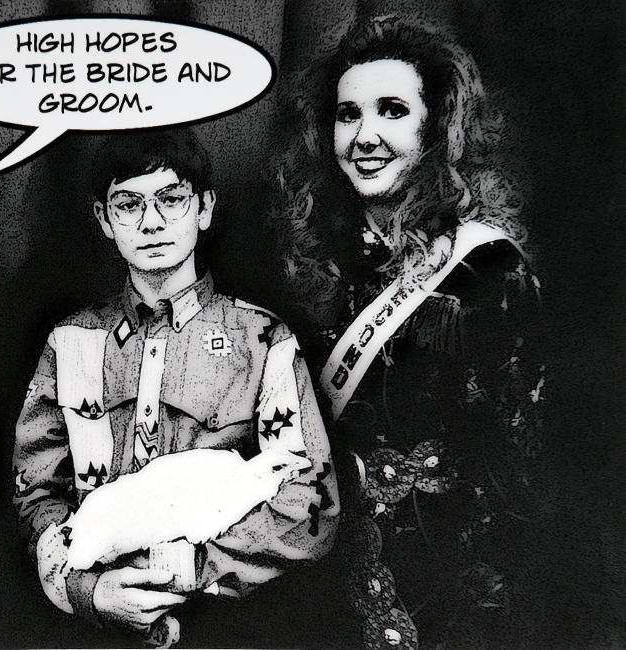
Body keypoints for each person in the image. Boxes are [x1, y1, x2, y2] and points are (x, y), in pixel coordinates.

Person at [271, 15, 547, 650]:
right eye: (348, 115)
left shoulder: (490, 271)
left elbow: (516, 472)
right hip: (321, 590)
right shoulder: (317, 261)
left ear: (437, 127)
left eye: (392, 111)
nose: (364, 135)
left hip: (445, 595)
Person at [12, 129, 339, 647]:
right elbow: (35, 490)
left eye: (171, 199)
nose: (152, 222)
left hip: (220, 628)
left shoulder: (261, 339)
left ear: (204, 208)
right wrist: (88, 591)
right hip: (93, 630)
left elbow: (311, 499)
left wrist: (193, 565)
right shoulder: (70, 342)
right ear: (103, 218)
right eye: (128, 204)